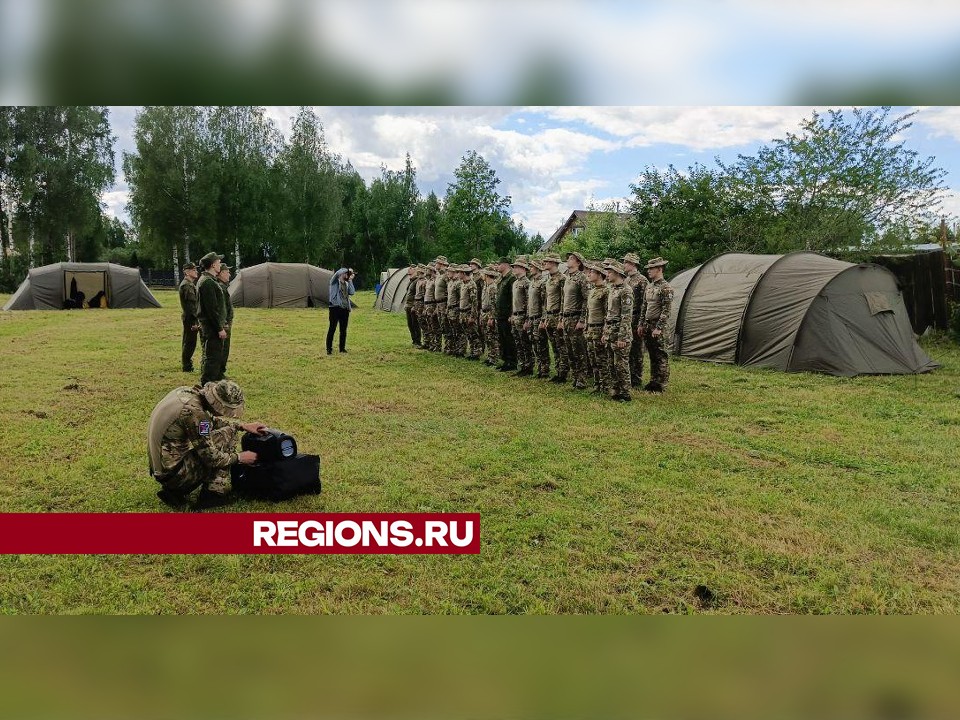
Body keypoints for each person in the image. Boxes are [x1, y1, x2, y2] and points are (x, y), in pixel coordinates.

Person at [147, 379, 267, 510]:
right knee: (228, 434)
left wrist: (242, 426)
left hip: (164, 470)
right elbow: (211, 458)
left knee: (229, 430)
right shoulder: (195, 413)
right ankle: (212, 495)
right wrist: (240, 457)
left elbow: (208, 421)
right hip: (174, 475)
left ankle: (174, 492)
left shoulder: (186, 393)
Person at [638, 257, 674, 393]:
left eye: (651, 269)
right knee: (652, 355)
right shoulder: (650, 286)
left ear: (659, 269)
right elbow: (644, 306)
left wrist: (659, 327)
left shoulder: (666, 288)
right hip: (648, 325)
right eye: (648, 269)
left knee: (661, 356)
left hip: (659, 327)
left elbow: (666, 310)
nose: (649, 271)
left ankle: (662, 384)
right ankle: (654, 381)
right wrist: (641, 324)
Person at [603, 261, 634, 402]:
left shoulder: (626, 291)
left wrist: (622, 337)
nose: (607, 274)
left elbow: (626, 316)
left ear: (617, 273)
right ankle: (615, 389)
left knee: (621, 364)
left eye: (609, 272)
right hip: (610, 330)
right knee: (610, 362)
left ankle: (625, 392)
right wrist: (605, 332)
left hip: (620, 332)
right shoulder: (611, 289)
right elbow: (608, 313)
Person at [196, 252, 228, 386]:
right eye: (218, 262)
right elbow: (211, 310)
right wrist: (219, 328)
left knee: (213, 356)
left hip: (211, 326)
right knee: (212, 358)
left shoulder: (208, 280)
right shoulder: (208, 282)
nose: (220, 264)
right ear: (213, 265)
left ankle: (213, 384)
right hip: (212, 327)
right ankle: (207, 386)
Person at [560, 251, 591, 389]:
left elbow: (586, 300)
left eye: (572, 258)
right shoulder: (567, 278)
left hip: (576, 317)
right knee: (569, 350)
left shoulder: (582, 278)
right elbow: (563, 300)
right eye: (569, 258)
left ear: (578, 263)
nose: (568, 260)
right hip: (566, 318)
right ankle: (575, 376)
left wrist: (582, 319)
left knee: (579, 349)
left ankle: (582, 378)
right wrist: (561, 318)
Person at [541, 254, 568, 383]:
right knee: (554, 346)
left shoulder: (562, 278)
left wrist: (561, 319)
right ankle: (558, 370)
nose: (545, 263)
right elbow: (546, 300)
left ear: (553, 263)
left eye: (547, 261)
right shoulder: (548, 279)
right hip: (550, 315)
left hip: (558, 315)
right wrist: (545, 317)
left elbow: (564, 299)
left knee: (561, 345)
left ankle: (563, 373)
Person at [623, 252, 649, 388]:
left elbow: (646, 303)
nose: (624, 265)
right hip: (627, 318)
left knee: (637, 350)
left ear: (632, 264)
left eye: (626, 262)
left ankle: (637, 379)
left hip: (637, 317)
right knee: (628, 349)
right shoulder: (626, 280)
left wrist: (642, 323)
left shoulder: (642, 280)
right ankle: (629, 376)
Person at [584, 261, 610, 395]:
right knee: (593, 359)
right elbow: (588, 311)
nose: (589, 274)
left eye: (592, 272)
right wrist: (586, 327)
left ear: (600, 274)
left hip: (599, 329)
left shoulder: (606, 291)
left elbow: (608, 314)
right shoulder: (592, 290)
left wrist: (605, 332)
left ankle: (605, 386)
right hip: (590, 329)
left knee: (602, 359)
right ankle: (597, 385)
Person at [525, 260, 550, 378]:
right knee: (534, 343)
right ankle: (539, 367)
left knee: (541, 344)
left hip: (539, 317)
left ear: (538, 268)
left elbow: (544, 303)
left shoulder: (543, 282)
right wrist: (527, 318)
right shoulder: (532, 282)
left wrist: (543, 319)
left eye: (532, 266)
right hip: (531, 317)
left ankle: (544, 369)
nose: (530, 268)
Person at [510, 259, 533, 376]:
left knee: (525, 342)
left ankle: (529, 366)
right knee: (518, 342)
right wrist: (512, 314)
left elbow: (529, 302)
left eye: (516, 267)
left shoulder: (526, 283)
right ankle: (522, 364)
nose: (514, 269)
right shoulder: (515, 283)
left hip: (523, 315)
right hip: (515, 315)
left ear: (523, 269)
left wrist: (527, 319)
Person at [494, 257, 517, 371]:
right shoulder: (502, 279)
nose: (497, 266)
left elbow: (513, 297)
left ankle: (511, 361)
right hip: (500, 314)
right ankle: (506, 360)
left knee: (508, 338)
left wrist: (512, 313)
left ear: (505, 265)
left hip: (507, 314)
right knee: (502, 338)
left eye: (499, 264)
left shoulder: (511, 278)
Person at [328, 267, 355, 354]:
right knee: (332, 328)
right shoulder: (334, 282)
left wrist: (350, 280)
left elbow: (352, 292)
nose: (347, 275)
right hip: (334, 308)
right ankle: (329, 349)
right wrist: (347, 270)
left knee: (343, 330)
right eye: (346, 273)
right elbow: (337, 273)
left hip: (345, 309)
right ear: (341, 274)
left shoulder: (346, 284)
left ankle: (342, 348)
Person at [178, 262, 200, 372]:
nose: (196, 272)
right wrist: (195, 321)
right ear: (187, 272)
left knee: (189, 341)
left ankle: (186, 363)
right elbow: (191, 306)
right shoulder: (187, 285)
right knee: (190, 342)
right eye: (193, 270)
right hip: (190, 318)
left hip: (190, 317)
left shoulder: (189, 284)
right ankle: (187, 365)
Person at [459, 265, 482, 359]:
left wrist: (472, 316)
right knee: (468, 334)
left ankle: (477, 352)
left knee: (473, 334)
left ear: (464, 273)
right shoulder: (463, 283)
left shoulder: (471, 284)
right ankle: (472, 351)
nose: (458, 274)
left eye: (460, 272)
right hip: (463, 312)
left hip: (468, 312)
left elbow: (474, 302)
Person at [217, 263, 234, 378]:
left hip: (226, 323)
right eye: (227, 272)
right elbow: (221, 309)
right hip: (224, 324)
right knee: (223, 348)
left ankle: (220, 371)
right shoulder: (221, 288)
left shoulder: (223, 287)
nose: (229, 274)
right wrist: (224, 324)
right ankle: (219, 372)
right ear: (221, 273)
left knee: (224, 348)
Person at [480, 267, 501, 366]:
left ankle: (494, 358)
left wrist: (491, 317)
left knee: (492, 337)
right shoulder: (486, 286)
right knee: (487, 336)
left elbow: (494, 304)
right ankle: (490, 356)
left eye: (483, 274)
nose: (482, 275)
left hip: (489, 314)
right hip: (484, 313)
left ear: (487, 275)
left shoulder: (493, 287)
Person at [445, 265, 463, 357]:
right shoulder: (450, 282)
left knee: (458, 330)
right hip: (450, 309)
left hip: (456, 309)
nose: (447, 273)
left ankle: (459, 349)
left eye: (449, 271)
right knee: (451, 330)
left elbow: (461, 297)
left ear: (454, 272)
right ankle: (453, 348)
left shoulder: (458, 283)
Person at [433, 256, 449, 353]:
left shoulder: (446, 275)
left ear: (441, 264)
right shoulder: (438, 275)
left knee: (445, 326)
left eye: (437, 263)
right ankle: (438, 345)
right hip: (438, 304)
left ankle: (448, 347)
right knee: (439, 325)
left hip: (444, 303)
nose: (435, 265)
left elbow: (450, 290)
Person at [403, 265, 421, 347]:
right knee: (410, 324)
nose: (409, 270)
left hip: (413, 306)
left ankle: (418, 341)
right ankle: (414, 340)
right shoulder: (411, 280)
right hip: (408, 305)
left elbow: (417, 295)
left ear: (416, 270)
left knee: (415, 324)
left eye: (411, 269)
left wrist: (414, 305)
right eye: (409, 268)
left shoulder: (417, 281)